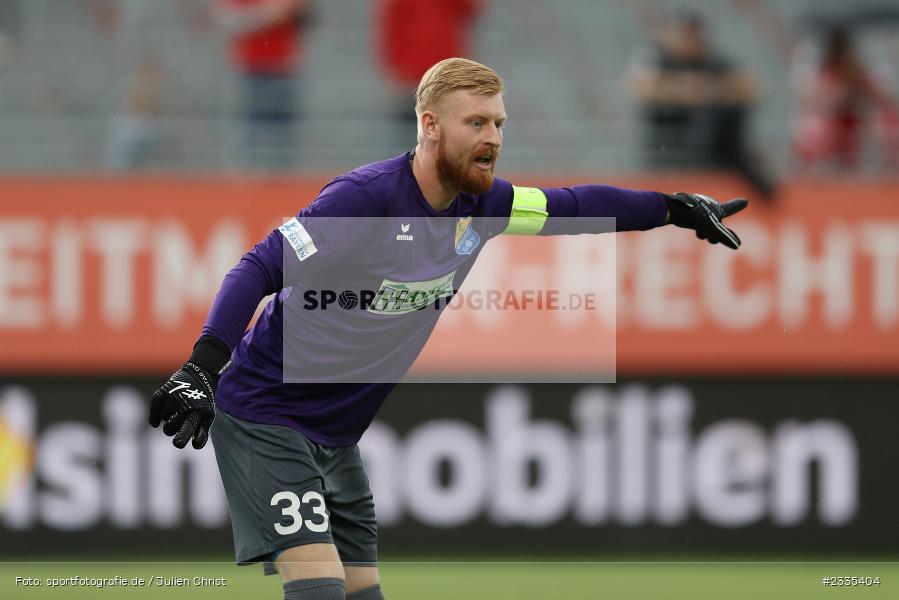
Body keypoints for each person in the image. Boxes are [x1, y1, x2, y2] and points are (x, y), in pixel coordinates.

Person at [148, 58, 748, 600]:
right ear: (430, 126)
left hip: (336, 435)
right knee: (321, 591)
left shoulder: (484, 206)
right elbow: (259, 265)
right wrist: (202, 367)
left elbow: (575, 205)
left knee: (362, 596)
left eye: (499, 124)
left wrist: (672, 208)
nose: (493, 138)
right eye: (477, 123)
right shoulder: (364, 201)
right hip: (267, 415)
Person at [628, 11, 775, 199]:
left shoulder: (714, 62)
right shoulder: (659, 58)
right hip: (668, 144)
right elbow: (641, 87)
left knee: (729, 115)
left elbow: (751, 87)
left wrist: (710, 90)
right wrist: (682, 90)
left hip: (708, 146)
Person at [217, 0, 311, 169]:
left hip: (284, 69)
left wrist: (287, 12)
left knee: (283, 137)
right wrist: (264, 15)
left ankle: (283, 179)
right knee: (252, 132)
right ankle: (249, 178)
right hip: (252, 69)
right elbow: (226, 21)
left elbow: (307, 17)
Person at [792, 26, 899, 170]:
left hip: (851, 134)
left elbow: (884, 101)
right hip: (828, 135)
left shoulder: (858, 74)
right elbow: (821, 105)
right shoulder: (824, 76)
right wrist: (845, 95)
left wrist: (859, 85)